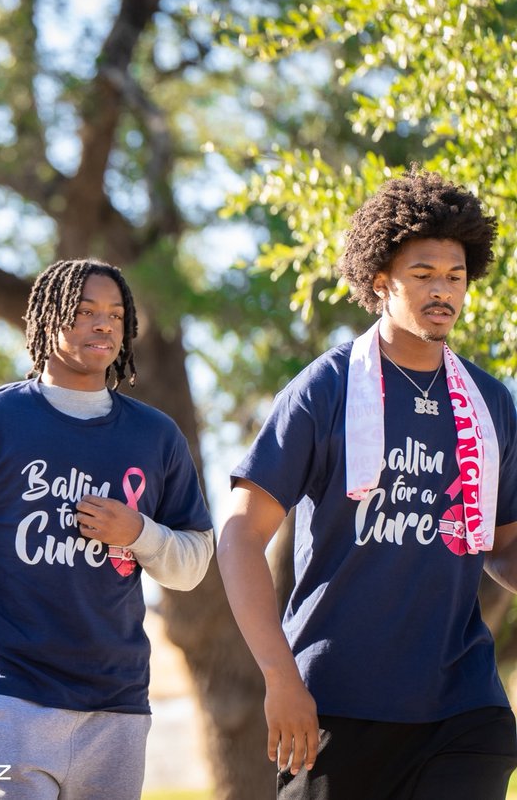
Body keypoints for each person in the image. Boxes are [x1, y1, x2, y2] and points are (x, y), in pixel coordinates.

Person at [217, 169, 517, 799]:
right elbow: (240, 536)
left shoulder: (490, 403)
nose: (443, 291)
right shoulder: (325, 389)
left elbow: (505, 545)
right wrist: (279, 676)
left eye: (455, 276)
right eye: (423, 274)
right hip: (334, 702)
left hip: (463, 706)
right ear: (381, 282)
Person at [0, 258, 214, 800]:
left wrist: (138, 532)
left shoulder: (156, 435)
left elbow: (192, 567)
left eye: (115, 315)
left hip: (118, 705)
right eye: (85, 311)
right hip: (9, 695)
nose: (103, 325)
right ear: (47, 319)